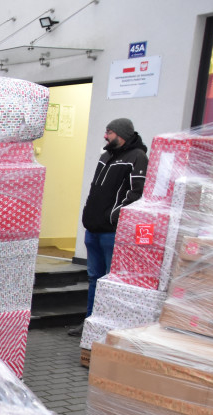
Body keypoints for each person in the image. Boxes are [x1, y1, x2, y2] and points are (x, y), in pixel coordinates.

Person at [69, 118, 149, 337]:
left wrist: (113, 216)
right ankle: (90, 322)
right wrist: (88, 213)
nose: (105, 136)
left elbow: (136, 193)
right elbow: (95, 189)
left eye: (109, 132)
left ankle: (106, 326)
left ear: (121, 134)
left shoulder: (137, 157)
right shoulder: (106, 156)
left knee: (109, 279)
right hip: (93, 228)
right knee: (94, 278)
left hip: (111, 232)